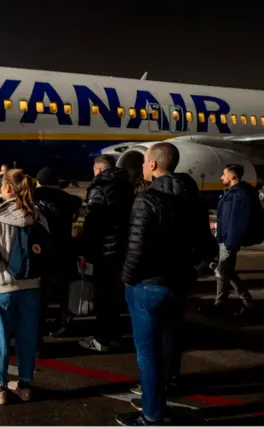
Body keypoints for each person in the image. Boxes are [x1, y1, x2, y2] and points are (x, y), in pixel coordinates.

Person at [116, 142, 201, 426]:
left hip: (148, 285)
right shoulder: (191, 197)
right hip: (179, 283)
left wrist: (127, 278)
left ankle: (152, 414)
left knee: (148, 354)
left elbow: (136, 249)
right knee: (167, 344)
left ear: (152, 165)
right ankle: (157, 397)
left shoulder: (146, 200)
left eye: (143, 162)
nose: (141, 166)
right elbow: (205, 244)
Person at [0, 169, 48, 405]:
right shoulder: (39, 216)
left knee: (0, 337)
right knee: (28, 336)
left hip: (2, 286)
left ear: (6, 189)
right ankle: (25, 384)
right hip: (32, 284)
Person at [78, 154, 134, 352]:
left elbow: (94, 223)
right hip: (124, 247)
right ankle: (115, 335)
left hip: (105, 250)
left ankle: (103, 339)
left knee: (102, 297)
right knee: (116, 296)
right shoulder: (126, 186)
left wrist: (84, 249)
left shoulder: (99, 187)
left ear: (99, 169)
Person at [33, 166, 83, 338]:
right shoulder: (69, 199)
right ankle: (64, 322)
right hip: (65, 248)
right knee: (64, 289)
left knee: (42, 289)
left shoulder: (35, 198)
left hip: (43, 250)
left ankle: (41, 322)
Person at [214, 164, 255, 315]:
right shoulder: (231, 193)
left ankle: (246, 302)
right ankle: (221, 302)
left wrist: (230, 243)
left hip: (228, 241)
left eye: (224, 174)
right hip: (224, 239)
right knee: (224, 271)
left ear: (232, 177)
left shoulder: (238, 194)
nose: (221, 177)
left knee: (224, 271)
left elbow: (237, 222)